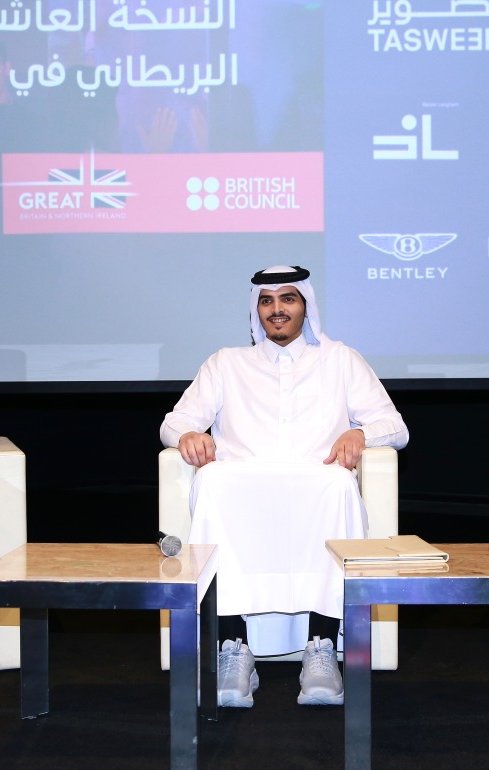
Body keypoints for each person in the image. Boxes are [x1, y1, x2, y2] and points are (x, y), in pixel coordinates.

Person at [161, 265, 409, 709]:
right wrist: (188, 436)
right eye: (267, 300)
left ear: (305, 306)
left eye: (288, 299)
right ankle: (233, 650)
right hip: (242, 484)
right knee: (213, 480)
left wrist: (361, 435)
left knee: (338, 486)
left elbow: (394, 424)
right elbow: (175, 421)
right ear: (257, 310)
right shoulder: (226, 362)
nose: (277, 309)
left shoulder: (341, 360)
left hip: (317, 482)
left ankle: (321, 647)